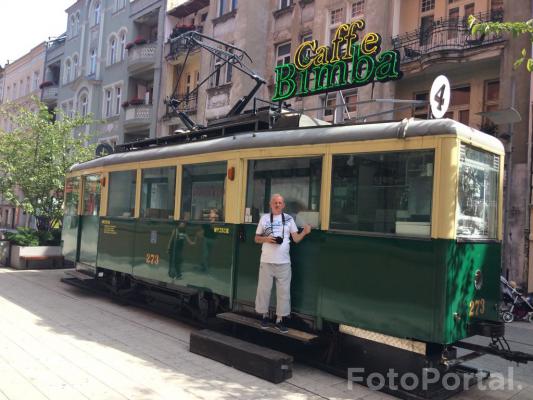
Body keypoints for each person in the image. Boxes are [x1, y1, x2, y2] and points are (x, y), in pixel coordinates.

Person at [254, 194, 311, 333]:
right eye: (275, 202)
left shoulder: (289, 219)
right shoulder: (264, 218)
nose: (277, 205)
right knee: (264, 290)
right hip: (266, 261)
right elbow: (256, 238)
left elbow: (295, 239)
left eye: (280, 202)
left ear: (283, 205)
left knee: (284, 292)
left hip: (284, 262)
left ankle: (280, 320)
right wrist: (266, 239)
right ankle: (264, 316)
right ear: (270, 204)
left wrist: (304, 232)